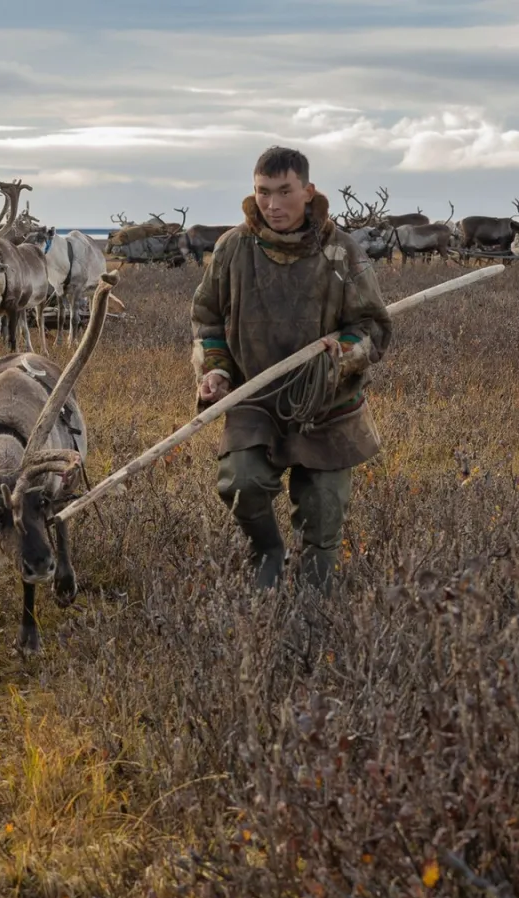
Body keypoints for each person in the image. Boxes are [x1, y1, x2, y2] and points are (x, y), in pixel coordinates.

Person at [190, 146, 393, 590]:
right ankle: (268, 554)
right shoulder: (233, 249)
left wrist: (342, 351)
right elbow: (207, 319)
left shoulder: (342, 253)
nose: (272, 204)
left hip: (327, 402)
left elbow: (373, 329)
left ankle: (312, 606)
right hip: (255, 398)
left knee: (323, 510)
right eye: (263, 192)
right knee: (240, 484)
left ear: (308, 191)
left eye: (285, 192)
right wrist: (217, 371)